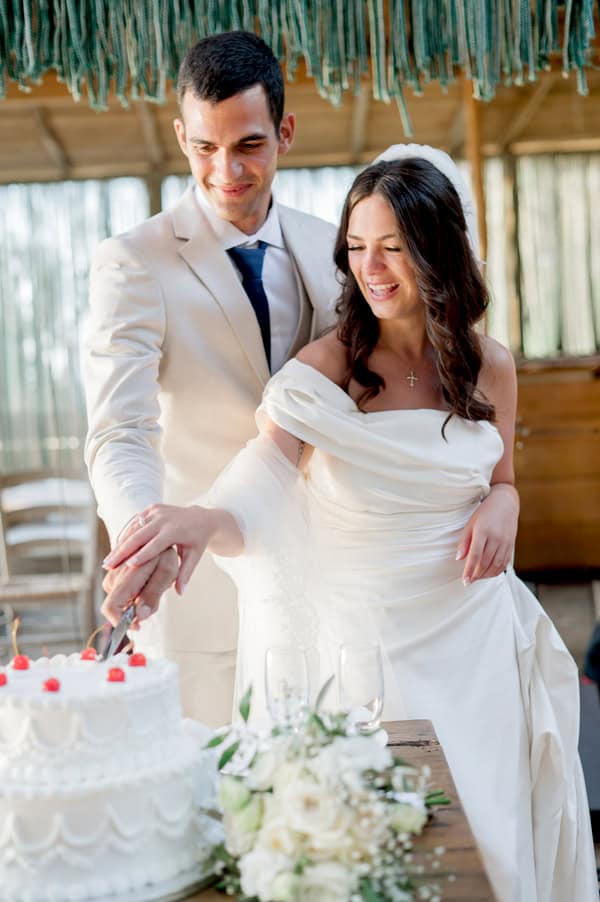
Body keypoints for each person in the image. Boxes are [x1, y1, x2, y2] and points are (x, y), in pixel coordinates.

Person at [104, 145, 598, 901]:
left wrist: (506, 503)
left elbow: (499, 478)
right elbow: (260, 480)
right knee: (397, 853)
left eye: (393, 248)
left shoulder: (488, 363)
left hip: (477, 647)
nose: (372, 268)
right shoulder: (327, 366)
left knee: (490, 844)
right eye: (358, 248)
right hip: (374, 655)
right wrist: (199, 521)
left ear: (438, 250)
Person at [83, 31, 339, 725]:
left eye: (249, 145)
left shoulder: (336, 247)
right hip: (200, 596)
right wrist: (145, 539)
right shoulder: (133, 262)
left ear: (284, 132)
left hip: (329, 581)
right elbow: (120, 431)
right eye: (204, 147)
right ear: (181, 135)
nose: (225, 170)